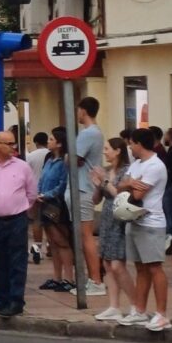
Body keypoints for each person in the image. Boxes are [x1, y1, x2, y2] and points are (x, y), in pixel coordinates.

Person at [0, 131, 38, 317]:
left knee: (17, 261)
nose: (13, 147)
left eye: (14, 143)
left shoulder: (22, 166)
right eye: (9, 143)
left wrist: (19, 207)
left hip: (16, 219)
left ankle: (16, 300)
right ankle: (2, 298)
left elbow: (31, 193)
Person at [117, 128, 171, 331]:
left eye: (131, 143)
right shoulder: (137, 164)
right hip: (134, 221)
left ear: (139, 144)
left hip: (150, 223)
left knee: (155, 267)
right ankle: (139, 311)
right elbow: (121, 185)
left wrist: (129, 184)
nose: (130, 147)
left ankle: (162, 314)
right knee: (140, 268)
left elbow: (138, 195)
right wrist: (130, 183)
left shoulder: (155, 166)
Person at [90, 137, 137, 321]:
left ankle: (135, 304)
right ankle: (114, 305)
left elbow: (119, 193)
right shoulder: (107, 170)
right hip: (107, 218)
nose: (104, 152)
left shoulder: (126, 171)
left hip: (120, 219)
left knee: (118, 265)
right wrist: (97, 185)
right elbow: (96, 199)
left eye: (107, 148)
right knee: (107, 264)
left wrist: (104, 181)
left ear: (118, 151)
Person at [37, 127, 77, 293]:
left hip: (56, 204)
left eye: (52, 139)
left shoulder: (63, 163)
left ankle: (69, 278)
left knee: (61, 241)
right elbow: (42, 179)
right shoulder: (48, 160)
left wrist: (47, 195)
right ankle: (57, 277)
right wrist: (39, 193)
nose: (48, 142)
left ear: (60, 143)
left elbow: (62, 184)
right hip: (44, 202)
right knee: (52, 242)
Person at [73, 97, 106, 296]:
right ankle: (93, 278)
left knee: (86, 236)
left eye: (78, 110)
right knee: (83, 236)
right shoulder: (95, 133)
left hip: (83, 188)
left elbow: (74, 159)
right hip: (85, 187)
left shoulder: (88, 133)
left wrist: (68, 156)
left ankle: (96, 279)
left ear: (83, 111)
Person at [25, 132, 49, 264]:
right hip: (49, 190)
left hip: (35, 190)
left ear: (36, 142)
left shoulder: (31, 156)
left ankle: (38, 248)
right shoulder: (51, 154)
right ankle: (50, 246)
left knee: (37, 220)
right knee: (51, 220)